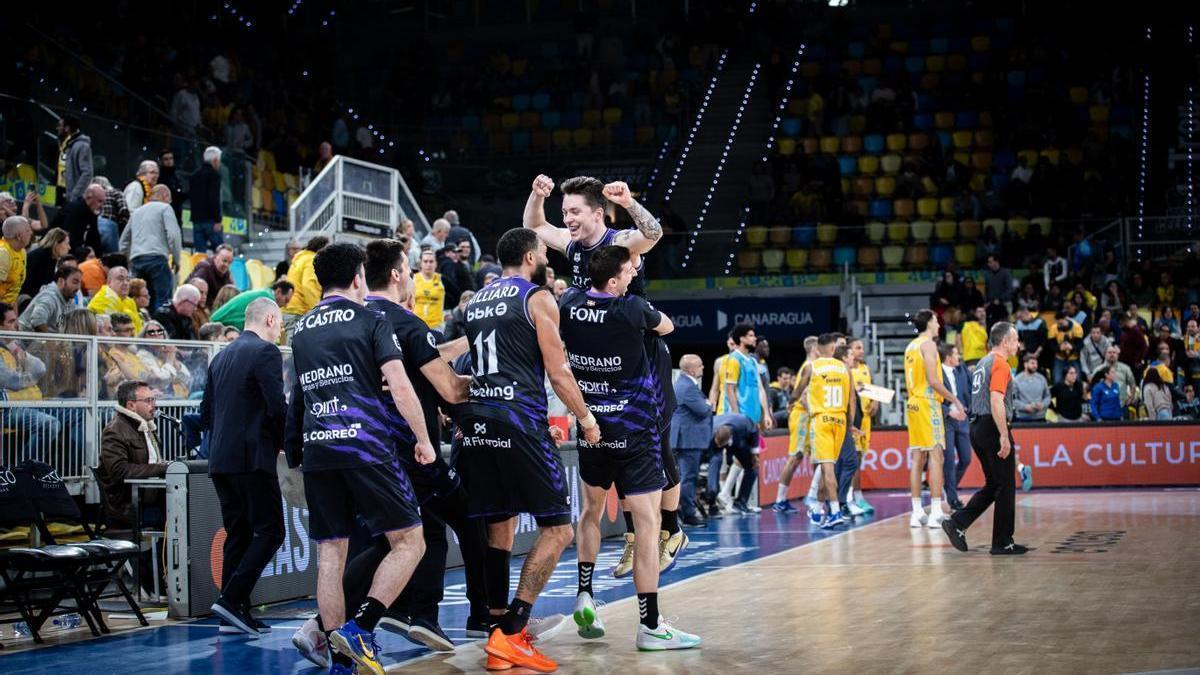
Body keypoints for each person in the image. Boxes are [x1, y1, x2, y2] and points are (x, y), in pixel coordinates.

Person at [282, 242, 435, 675]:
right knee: (410, 542)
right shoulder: (372, 318)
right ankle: (362, 627)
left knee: (331, 555)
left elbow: (299, 396)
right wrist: (423, 438)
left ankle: (338, 660)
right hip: (366, 446)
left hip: (319, 449)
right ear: (356, 278)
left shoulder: (302, 328)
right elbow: (400, 386)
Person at [522, 174, 680, 581]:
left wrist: (628, 201)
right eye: (565, 212)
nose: (568, 219)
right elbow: (535, 228)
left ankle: (672, 529)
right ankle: (633, 537)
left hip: (640, 357)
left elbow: (654, 232)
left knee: (655, 441)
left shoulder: (621, 242)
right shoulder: (573, 245)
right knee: (612, 444)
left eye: (574, 212)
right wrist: (536, 196)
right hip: (601, 362)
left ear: (596, 213)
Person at [455, 228, 598, 673]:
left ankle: (497, 629)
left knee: (500, 526)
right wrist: (587, 419)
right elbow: (558, 372)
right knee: (559, 530)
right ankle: (515, 630)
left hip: (478, 425)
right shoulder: (536, 297)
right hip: (519, 421)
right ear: (533, 256)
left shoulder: (476, 300)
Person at [341, 239, 482, 653]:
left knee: (415, 531)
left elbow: (425, 356)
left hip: (360, 446)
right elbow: (452, 389)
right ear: (399, 274)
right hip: (411, 449)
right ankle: (481, 617)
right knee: (467, 520)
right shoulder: (404, 321)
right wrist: (501, 384)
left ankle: (422, 614)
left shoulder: (354, 318)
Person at [561, 245, 699, 651]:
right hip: (636, 432)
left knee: (590, 512)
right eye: (627, 271)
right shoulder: (632, 309)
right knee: (646, 527)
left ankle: (585, 592)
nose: (631, 274)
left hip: (593, 429)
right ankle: (650, 625)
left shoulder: (569, 303)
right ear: (616, 280)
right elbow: (668, 327)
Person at [200, 297, 286, 635]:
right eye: (278, 323)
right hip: (252, 458)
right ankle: (232, 597)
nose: (279, 331)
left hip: (221, 459)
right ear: (268, 319)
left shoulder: (221, 356)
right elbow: (276, 407)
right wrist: (285, 444)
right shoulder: (265, 352)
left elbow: (206, 413)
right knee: (271, 530)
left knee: (238, 534)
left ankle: (234, 612)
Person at [941, 322, 1029, 555]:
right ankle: (1002, 542)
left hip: (976, 426)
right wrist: (1003, 435)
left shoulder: (982, 362)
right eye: (1015, 340)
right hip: (991, 425)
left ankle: (957, 523)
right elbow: (996, 400)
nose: (1018, 345)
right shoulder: (1001, 364)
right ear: (1005, 342)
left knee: (994, 484)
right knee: (1006, 485)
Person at [905, 309, 967, 529]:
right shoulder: (928, 345)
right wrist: (954, 400)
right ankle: (935, 511)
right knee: (936, 456)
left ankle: (916, 512)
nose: (939, 325)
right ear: (930, 323)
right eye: (936, 321)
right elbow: (933, 380)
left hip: (912, 403)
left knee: (917, 458)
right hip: (928, 403)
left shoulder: (910, 346)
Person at [97, 380, 168, 526]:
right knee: (182, 517)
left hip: (150, 500)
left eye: (153, 399)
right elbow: (120, 471)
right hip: (128, 507)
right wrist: (162, 468)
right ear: (131, 405)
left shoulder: (146, 428)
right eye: (148, 401)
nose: (154, 405)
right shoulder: (114, 431)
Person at [805, 333, 856, 528]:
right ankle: (818, 509)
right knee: (827, 468)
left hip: (821, 419)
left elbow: (800, 395)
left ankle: (834, 511)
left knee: (827, 468)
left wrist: (793, 403)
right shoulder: (844, 369)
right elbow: (850, 400)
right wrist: (849, 424)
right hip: (840, 420)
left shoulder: (813, 367)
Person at [0, 303, 61, 459]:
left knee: (75, 413)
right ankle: (26, 471)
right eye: (11, 322)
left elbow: (40, 369)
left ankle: (78, 470)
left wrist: (16, 350)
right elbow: (12, 381)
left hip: (28, 404)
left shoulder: (14, 345)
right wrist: (30, 379)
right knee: (49, 424)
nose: (17, 325)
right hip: (6, 411)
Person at [774, 336, 819, 513]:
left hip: (807, 416)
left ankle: (812, 495)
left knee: (813, 458)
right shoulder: (808, 367)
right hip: (802, 416)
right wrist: (814, 413)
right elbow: (803, 395)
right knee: (795, 457)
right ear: (814, 349)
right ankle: (780, 500)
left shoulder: (813, 366)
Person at [120, 185, 181, 312]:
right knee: (163, 302)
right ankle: (160, 328)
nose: (170, 202)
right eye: (169, 199)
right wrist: (176, 259)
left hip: (136, 261)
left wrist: (127, 260)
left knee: (139, 300)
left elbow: (124, 241)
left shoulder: (136, 212)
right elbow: (174, 235)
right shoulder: (165, 208)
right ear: (165, 196)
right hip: (157, 259)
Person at [671, 354, 712, 528]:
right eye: (700, 365)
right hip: (688, 440)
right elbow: (703, 410)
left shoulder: (683, 384)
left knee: (685, 477)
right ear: (691, 369)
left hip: (686, 439)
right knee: (688, 477)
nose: (703, 368)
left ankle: (683, 510)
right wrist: (709, 403)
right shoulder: (687, 387)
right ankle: (688, 513)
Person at [937, 343, 972, 511]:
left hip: (962, 418)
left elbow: (970, 390)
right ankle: (952, 497)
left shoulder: (962, 369)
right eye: (957, 354)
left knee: (966, 458)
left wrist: (968, 409)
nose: (959, 356)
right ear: (948, 357)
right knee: (949, 460)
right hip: (946, 419)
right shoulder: (936, 372)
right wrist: (948, 411)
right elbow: (932, 397)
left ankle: (949, 487)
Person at [846, 337, 878, 515]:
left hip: (866, 419)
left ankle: (856, 496)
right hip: (855, 419)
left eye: (862, 348)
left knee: (861, 458)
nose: (861, 351)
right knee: (855, 459)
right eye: (858, 348)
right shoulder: (847, 370)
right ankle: (854, 497)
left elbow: (872, 390)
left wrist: (876, 403)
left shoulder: (865, 368)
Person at [211, 280, 295, 331]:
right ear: (278, 292)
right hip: (220, 325)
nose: (286, 305)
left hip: (218, 322)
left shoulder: (264, 293)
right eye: (286, 300)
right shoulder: (268, 299)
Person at [18, 265, 81, 332]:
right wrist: (52, 341)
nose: (78, 288)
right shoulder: (49, 296)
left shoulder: (70, 301)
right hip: (26, 341)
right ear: (61, 281)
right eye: (75, 282)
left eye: (80, 283)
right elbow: (38, 321)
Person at [88, 266, 143, 334]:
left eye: (128, 279)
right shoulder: (104, 299)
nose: (125, 283)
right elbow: (114, 331)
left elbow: (139, 328)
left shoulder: (129, 301)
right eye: (120, 279)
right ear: (109, 282)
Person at [190, 147, 224, 253]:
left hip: (196, 220)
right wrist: (218, 220)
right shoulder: (214, 175)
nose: (219, 163)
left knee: (200, 255)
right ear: (214, 160)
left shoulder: (194, 175)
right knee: (221, 253)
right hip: (210, 220)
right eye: (219, 160)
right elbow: (214, 198)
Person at [21, 228, 72, 297]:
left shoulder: (51, 257)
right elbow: (39, 286)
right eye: (66, 243)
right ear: (56, 243)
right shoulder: (42, 257)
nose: (69, 247)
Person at [56, 114, 93, 203]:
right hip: (64, 192)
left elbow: (87, 173)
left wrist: (74, 195)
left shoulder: (82, 146)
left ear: (67, 128)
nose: (57, 128)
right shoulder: (69, 144)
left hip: (73, 198)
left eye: (61, 125)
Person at [0, 216, 34, 305]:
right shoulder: (3, 253)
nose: (31, 233)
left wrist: (15, 317)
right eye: (27, 230)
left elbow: (15, 291)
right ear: (19, 236)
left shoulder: (22, 251)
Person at [93, 177, 130, 254]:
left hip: (94, 225)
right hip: (109, 224)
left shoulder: (92, 195)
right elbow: (124, 210)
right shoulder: (115, 192)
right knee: (113, 256)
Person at [412, 250, 445, 331]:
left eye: (431, 261)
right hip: (416, 324)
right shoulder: (413, 279)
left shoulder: (442, 279)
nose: (428, 264)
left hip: (436, 325)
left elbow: (457, 294)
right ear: (420, 264)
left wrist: (449, 312)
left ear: (436, 264)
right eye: (425, 261)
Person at [1012, 354, 1051, 421]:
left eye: (1036, 363)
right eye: (1032, 363)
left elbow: (1048, 396)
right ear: (1025, 364)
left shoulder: (1041, 378)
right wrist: (1025, 407)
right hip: (1022, 418)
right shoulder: (1017, 380)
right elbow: (1012, 399)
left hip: (1040, 418)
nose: (1035, 366)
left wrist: (1043, 405)